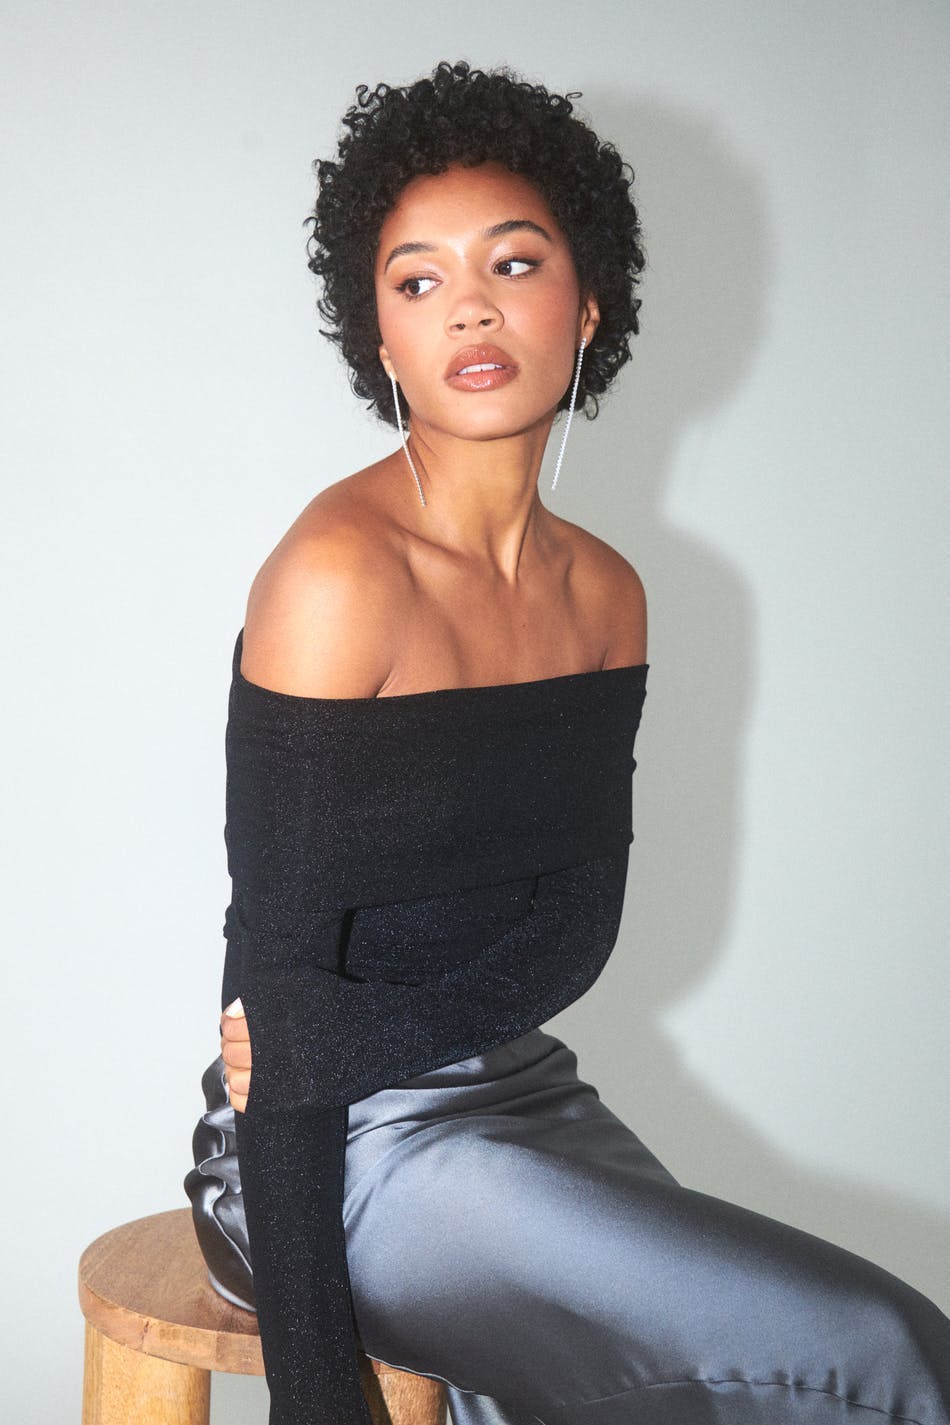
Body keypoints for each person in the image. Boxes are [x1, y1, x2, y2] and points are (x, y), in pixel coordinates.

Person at [187, 60, 950, 1425]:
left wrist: (360, 1028)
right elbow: (276, 1006)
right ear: (379, 338)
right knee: (875, 1347)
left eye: (514, 262)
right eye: (417, 280)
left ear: (587, 302)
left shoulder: (606, 594)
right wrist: (316, 1400)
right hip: (327, 1150)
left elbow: (572, 930)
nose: (469, 306)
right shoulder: (337, 577)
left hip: (517, 1095)